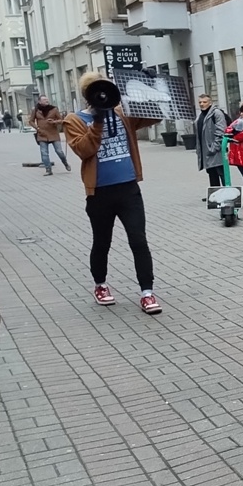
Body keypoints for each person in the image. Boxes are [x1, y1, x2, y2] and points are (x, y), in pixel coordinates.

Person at [63, 72, 163, 314]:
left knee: (138, 239)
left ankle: (147, 292)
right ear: (88, 94)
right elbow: (84, 150)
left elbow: (155, 115)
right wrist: (97, 121)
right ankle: (100, 284)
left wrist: (148, 88)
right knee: (102, 241)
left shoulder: (121, 112)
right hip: (99, 193)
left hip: (128, 189)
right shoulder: (73, 120)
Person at [28, 93, 70, 175]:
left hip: (53, 133)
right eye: (44, 100)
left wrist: (54, 122)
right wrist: (37, 128)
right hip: (42, 134)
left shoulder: (54, 109)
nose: (46, 101)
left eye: (47, 99)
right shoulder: (36, 110)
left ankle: (65, 163)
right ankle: (48, 169)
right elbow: (31, 121)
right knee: (44, 153)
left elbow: (61, 120)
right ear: (40, 101)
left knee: (59, 151)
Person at [195, 94, 230, 190]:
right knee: (211, 173)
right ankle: (215, 194)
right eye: (200, 102)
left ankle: (228, 194)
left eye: (204, 102)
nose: (202, 104)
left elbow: (221, 130)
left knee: (222, 173)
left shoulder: (216, 113)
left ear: (210, 102)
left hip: (216, 150)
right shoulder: (201, 115)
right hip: (206, 150)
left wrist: (215, 147)